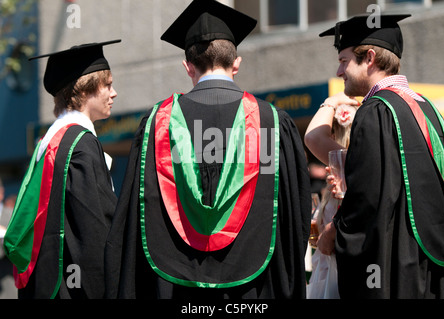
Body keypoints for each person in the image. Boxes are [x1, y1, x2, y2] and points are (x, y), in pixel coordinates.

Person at [105, 0, 311, 299]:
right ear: (236, 63)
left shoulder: (157, 124)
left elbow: (135, 216)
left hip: (177, 287)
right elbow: (296, 214)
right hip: (254, 291)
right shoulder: (272, 123)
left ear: (187, 65)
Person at [318, 14, 444, 298]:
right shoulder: (429, 109)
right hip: (436, 264)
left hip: (398, 269)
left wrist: (334, 233)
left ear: (369, 58)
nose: (339, 71)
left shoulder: (377, 111)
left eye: (343, 61)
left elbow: (368, 199)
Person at [3, 40, 120, 299]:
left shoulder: (51, 141)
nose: (114, 93)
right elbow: (93, 229)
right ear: (85, 89)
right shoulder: (81, 145)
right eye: (108, 85)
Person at [304, 97, 358, 299]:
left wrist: (331, 101)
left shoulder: (347, 164)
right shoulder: (340, 174)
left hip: (337, 276)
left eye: (332, 133)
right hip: (327, 273)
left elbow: (313, 137)